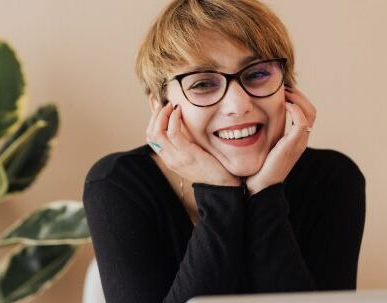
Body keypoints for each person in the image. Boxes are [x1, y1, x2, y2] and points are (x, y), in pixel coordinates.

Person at [82, 0, 366, 302]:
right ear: (160, 106)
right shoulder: (117, 185)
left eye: (257, 74)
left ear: (288, 87)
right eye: (203, 83)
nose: (238, 105)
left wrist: (265, 194)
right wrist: (219, 193)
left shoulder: (333, 179)